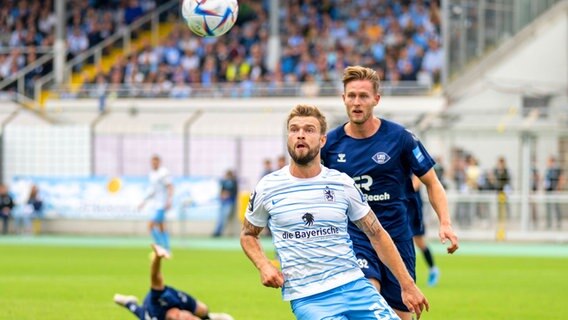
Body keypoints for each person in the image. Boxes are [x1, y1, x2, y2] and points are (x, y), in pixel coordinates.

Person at [241, 104, 429, 320]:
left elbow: (376, 234)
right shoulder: (268, 187)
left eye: (309, 129)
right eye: (294, 129)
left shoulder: (342, 183)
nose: (300, 135)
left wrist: (407, 284)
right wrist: (264, 265)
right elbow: (248, 234)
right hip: (309, 298)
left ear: (322, 140)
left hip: (356, 287)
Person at [321, 66, 458, 320]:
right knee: (368, 303)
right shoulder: (329, 145)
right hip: (356, 238)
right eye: (351, 96)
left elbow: (433, 183)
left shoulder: (400, 138)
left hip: (397, 238)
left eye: (363, 96)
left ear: (376, 99)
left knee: (401, 315)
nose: (357, 102)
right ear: (343, 99)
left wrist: (445, 223)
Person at [114, 243, 234, 320]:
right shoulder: (178, 314)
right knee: (203, 312)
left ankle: (127, 301)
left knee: (203, 309)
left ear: (178, 315)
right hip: (158, 312)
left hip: (154, 305)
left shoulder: (159, 303)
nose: (191, 317)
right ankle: (210, 317)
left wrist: (157, 257)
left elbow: (155, 276)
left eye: (188, 318)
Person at [407, 175, 439, 287]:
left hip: (414, 210)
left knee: (419, 241)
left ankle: (433, 269)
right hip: (400, 208)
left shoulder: (412, 163)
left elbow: (415, 184)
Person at [139, 155, 174, 253]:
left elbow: (170, 187)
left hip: (162, 205)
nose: (154, 164)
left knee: (150, 225)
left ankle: (160, 246)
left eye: (156, 162)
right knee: (162, 227)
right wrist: (143, 201)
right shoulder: (151, 174)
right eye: (152, 162)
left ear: (159, 162)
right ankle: (167, 248)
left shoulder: (163, 173)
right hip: (156, 205)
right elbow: (152, 191)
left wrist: (169, 200)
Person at [212, 170, 238, 237]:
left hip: (229, 202)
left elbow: (235, 192)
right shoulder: (224, 182)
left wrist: (228, 194)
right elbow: (221, 191)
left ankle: (220, 232)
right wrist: (222, 195)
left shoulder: (234, 182)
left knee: (225, 217)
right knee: (220, 217)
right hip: (223, 202)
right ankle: (217, 231)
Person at [544, 156, 564, 229]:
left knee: (556, 207)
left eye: (549, 161)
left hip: (555, 191)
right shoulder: (548, 170)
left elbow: (561, 178)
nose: (548, 163)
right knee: (548, 208)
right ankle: (549, 223)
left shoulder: (557, 169)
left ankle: (558, 223)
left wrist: (559, 188)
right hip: (548, 191)